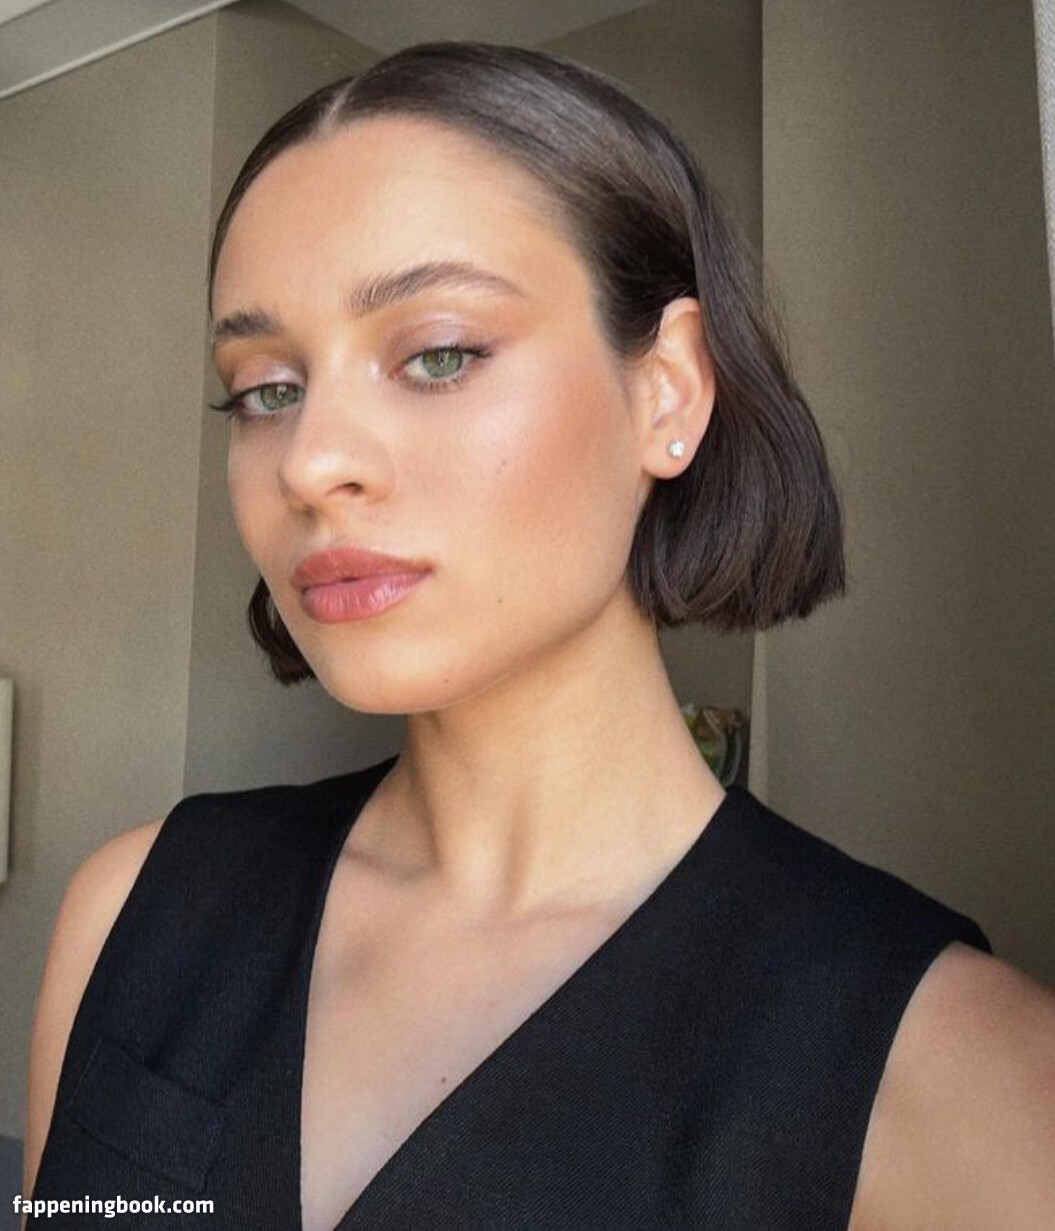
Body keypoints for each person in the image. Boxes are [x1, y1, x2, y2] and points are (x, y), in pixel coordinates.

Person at [21, 40, 1055, 1231]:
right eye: (266, 388)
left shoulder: (956, 1078)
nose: (309, 461)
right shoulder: (134, 908)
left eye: (439, 354)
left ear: (666, 391)